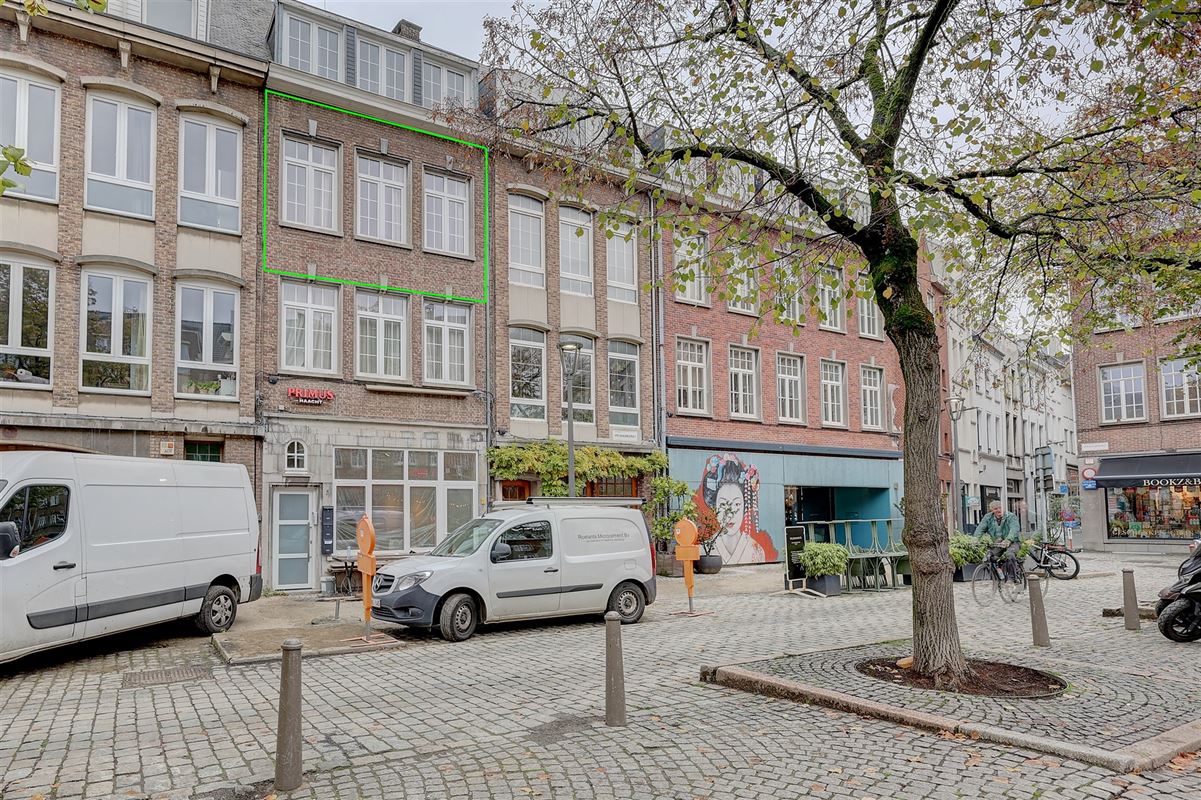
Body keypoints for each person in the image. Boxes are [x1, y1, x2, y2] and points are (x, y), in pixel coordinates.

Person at [975, 500, 1021, 582]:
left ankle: (1013, 578)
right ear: (992, 510)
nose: (998, 510)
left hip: (1013, 542)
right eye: (996, 509)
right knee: (989, 556)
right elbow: (980, 529)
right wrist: (975, 539)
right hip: (999, 543)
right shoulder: (988, 517)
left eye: (1000, 508)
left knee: (1009, 555)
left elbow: (1014, 529)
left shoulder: (1010, 516)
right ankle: (998, 575)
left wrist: (1008, 540)